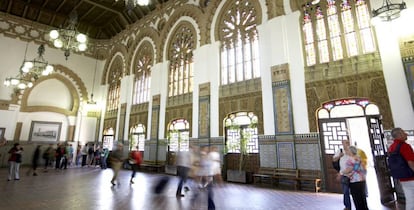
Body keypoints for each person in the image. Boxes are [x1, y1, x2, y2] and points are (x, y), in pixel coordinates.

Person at [388, 128, 414, 210]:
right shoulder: (405, 146)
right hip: (411, 176)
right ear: (399, 135)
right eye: (403, 132)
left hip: (402, 177)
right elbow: (410, 162)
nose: (406, 134)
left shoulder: (391, 147)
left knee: (410, 199)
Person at [342, 146, 368, 210]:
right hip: (362, 180)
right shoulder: (359, 158)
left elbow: (349, 169)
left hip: (354, 181)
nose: (346, 151)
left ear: (351, 152)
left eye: (347, 150)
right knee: (362, 199)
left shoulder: (350, 160)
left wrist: (343, 172)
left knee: (357, 200)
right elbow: (364, 170)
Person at [333, 140, 352, 210]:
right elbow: (334, 159)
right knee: (345, 191)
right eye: (344, 143)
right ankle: (347, 207)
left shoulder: (352, 150)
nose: (346, 144)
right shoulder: (340, 151)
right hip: (343, 174)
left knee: (355, 192)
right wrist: (339, 156)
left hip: (353, 174)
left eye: (347, 143)